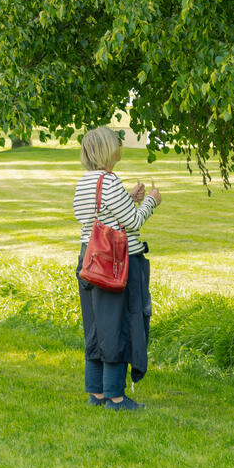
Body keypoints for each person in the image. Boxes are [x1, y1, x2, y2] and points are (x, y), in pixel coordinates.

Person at [74, 126, 161, 411]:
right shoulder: (109, 182)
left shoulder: (85, 181)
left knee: (96, 328)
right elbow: (133, 222)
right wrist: (150, 201)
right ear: (107, 150)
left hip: (89, 258)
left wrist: (129, 198)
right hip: (115, 263)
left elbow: (97, 216)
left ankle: (96, 392)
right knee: (116, 327)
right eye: (116, 143)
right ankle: (115, 397)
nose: (119, 146)